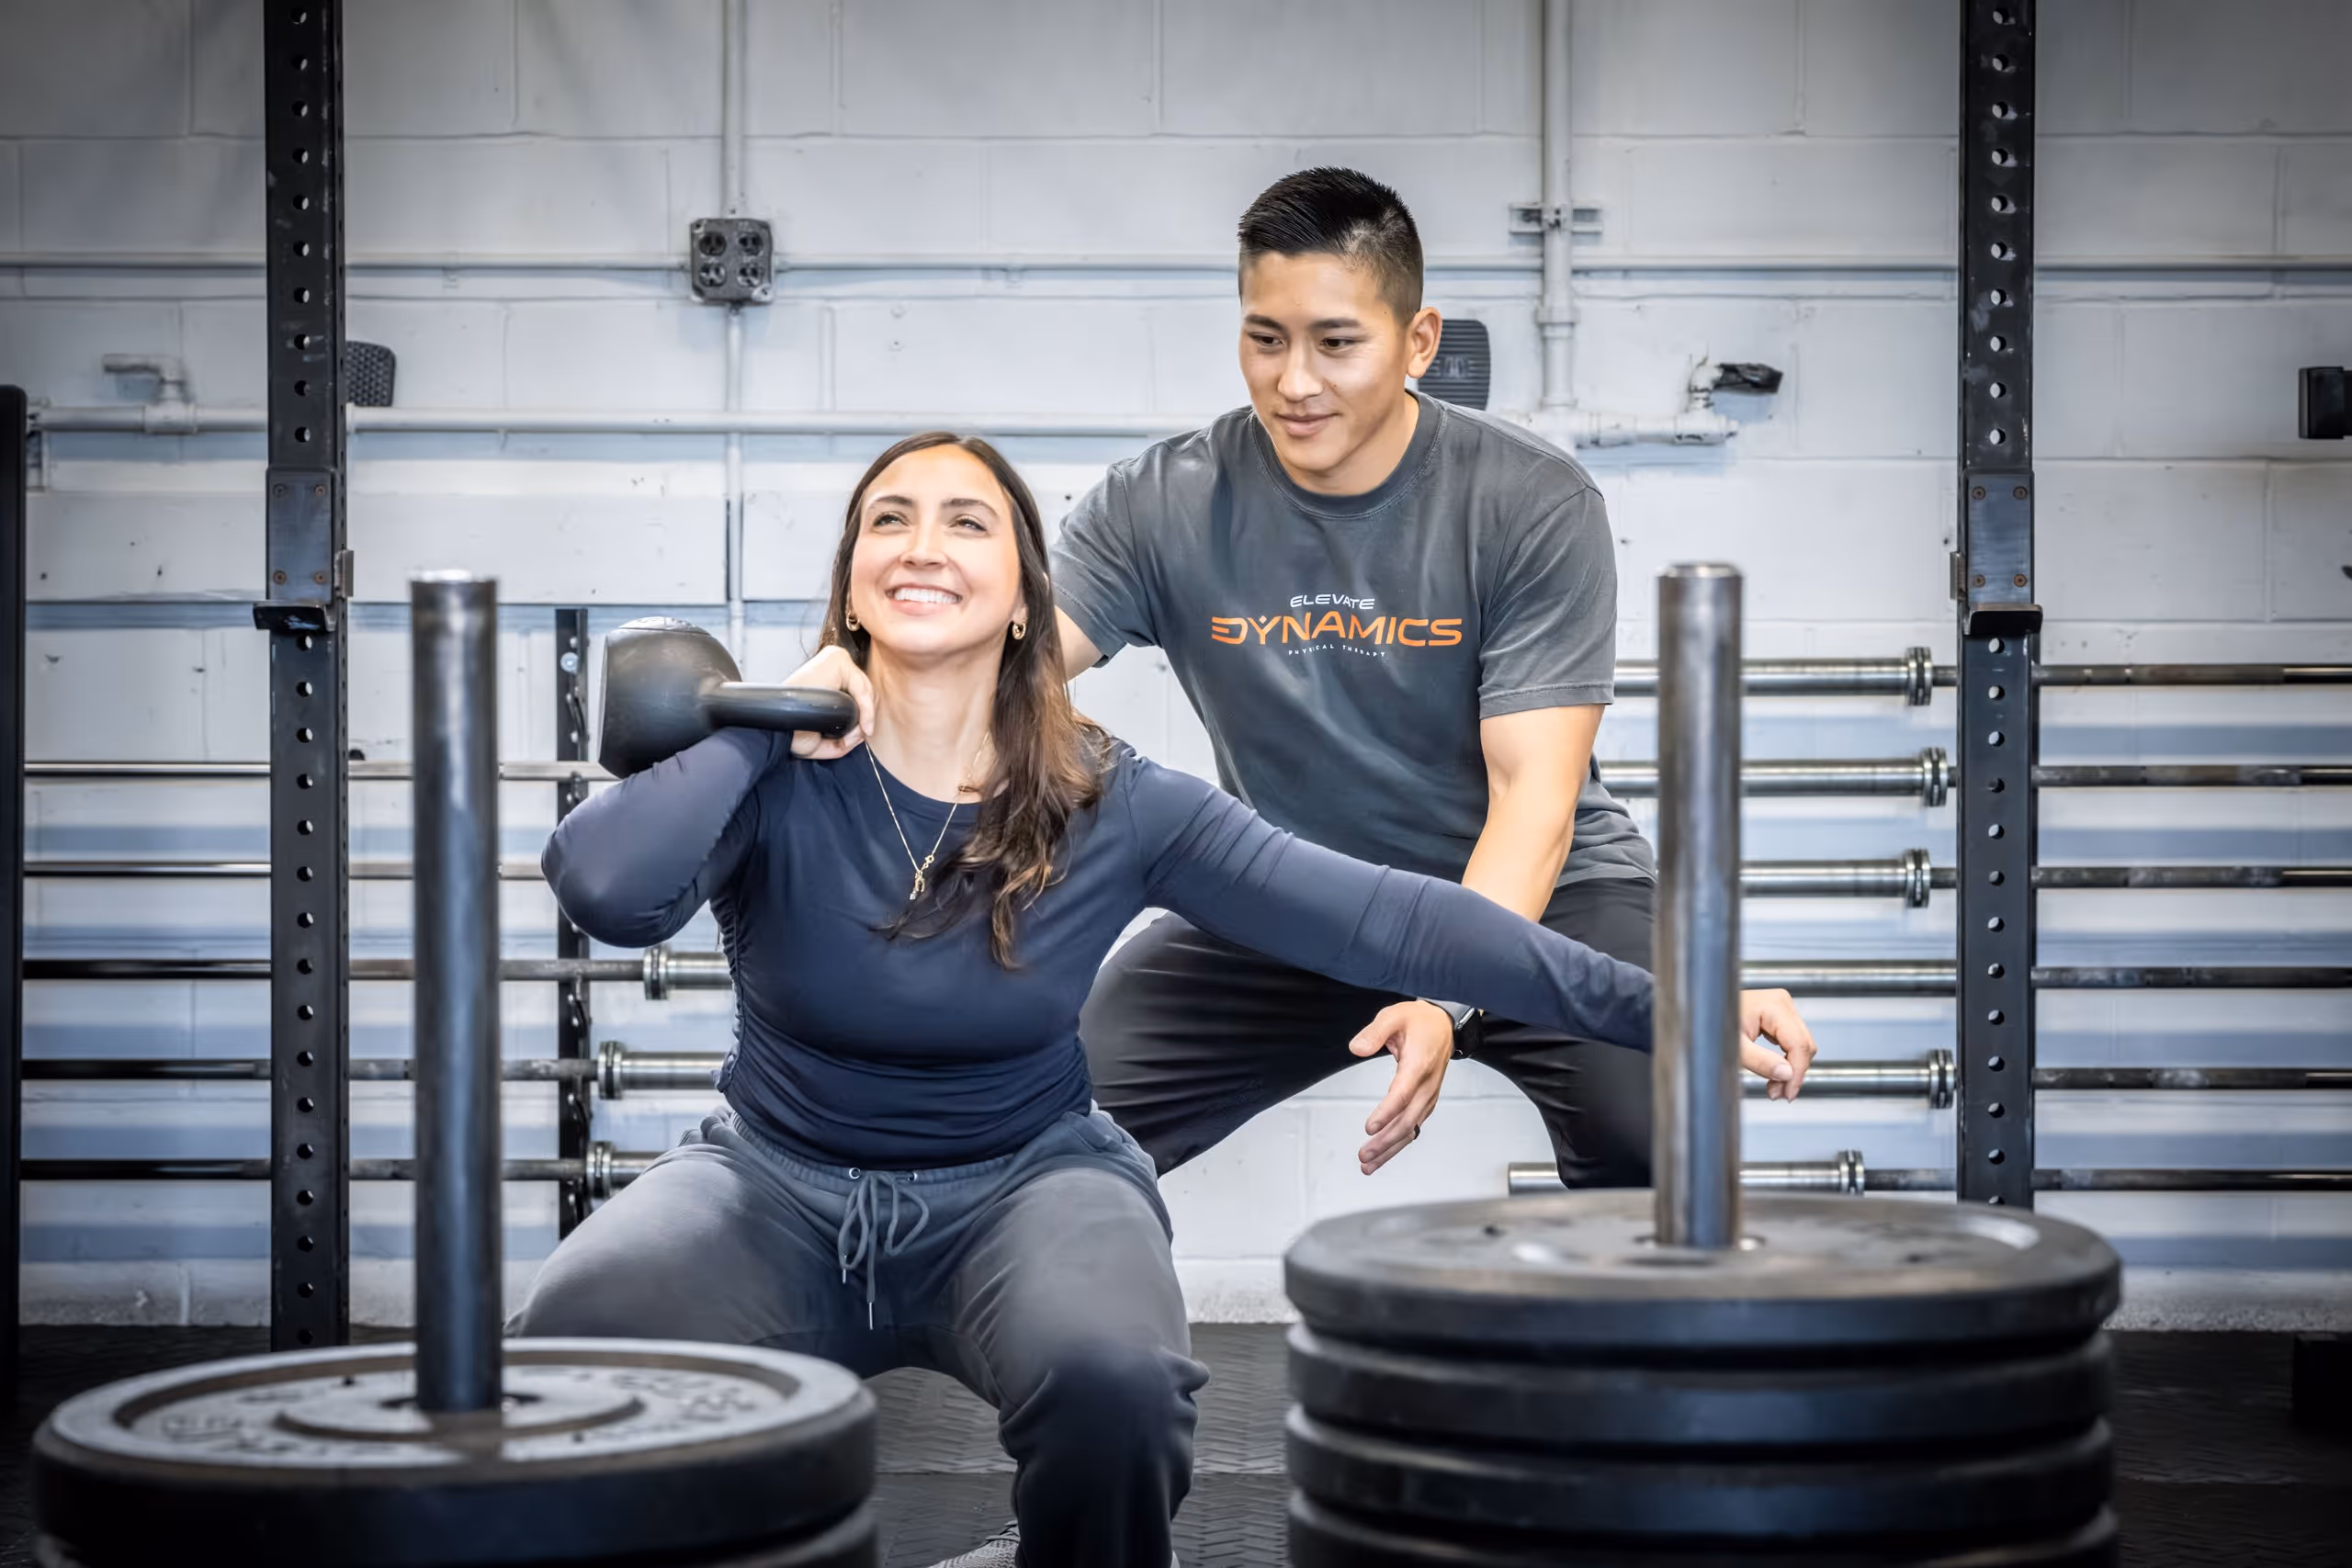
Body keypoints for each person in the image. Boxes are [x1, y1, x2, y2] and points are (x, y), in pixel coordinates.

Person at [513, 432, 1800, 1568]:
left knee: (1118, 1388)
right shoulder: (768, 773)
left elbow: (1396, 916)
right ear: (852, 581)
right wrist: (763, 719)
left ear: (1026, 600)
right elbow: (609, 889)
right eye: (887, 520)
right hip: (769, 1185)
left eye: (968, 522)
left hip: (1023, 1184)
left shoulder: (1112, 796)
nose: (922, 543)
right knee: (571, 1334)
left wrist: (1674, 1000)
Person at [790, 168, 1819, 1191]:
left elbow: (1534, 801)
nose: (1293, 382)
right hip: (1293, 897)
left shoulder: (1529, 501)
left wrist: (1441, 993)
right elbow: (995, 667)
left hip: (1545, 898)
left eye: (1336, 343)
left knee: (1660, 1131)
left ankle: (1626, 1350)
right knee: (1050, 1115)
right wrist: (849, 667)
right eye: (1265, 338)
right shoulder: (1164, 501)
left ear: (1418, 342)